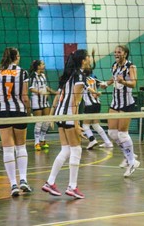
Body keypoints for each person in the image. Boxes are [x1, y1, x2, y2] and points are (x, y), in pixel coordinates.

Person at [41, 49, 90, 199]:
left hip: (61, 115)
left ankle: (50, 182)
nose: (89, 59)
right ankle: (72, 187)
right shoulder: (80, 77)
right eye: (88, 57)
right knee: (76, 151)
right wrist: (76, 124)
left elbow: (58, 97)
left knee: (66, 150)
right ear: (83, 60)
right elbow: (75, 102)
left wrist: (51, 117)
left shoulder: (69, 76)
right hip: (69, 116)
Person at [0, 47, 32, 197]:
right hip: (19, 110)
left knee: (8, 149)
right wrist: (29, 112)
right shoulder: (22, 72)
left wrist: (0, 98)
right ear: (16, 57)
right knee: (21, 147)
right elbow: (24, 96)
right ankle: (23, 180)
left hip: (2, 111)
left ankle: (13, 185)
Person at [100, 45, 140, 177]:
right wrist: (107, 83)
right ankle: (129, 155)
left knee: (123, 134)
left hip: (127, 104)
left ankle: (131, 161)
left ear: (125, 54)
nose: (116, 54)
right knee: (112, 133)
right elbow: (114, 78)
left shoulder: (131, 67)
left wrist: (124, 82)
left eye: (119, 52)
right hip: (115, 102)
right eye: (115, 52)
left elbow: (133, 84)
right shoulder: (114, 65)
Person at [82, 49, 113, 150]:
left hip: (89, 105)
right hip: (97, 104)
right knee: (95, 124)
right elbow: (103, 84)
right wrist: (112, 81)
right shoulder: (94, 78)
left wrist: (95, 92)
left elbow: (89, 88)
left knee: (85, 126)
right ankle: (108, 142)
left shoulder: (82, 79)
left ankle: (92, 140)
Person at [29, 60, 58, 151]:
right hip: (36, 101)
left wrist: (54, 92)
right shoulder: (33, 76)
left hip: (45, 101)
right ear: (38, 66)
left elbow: (46, 87)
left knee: (46, 121)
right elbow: (31, 89)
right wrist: (40, 92)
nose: (44, 66)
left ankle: (42, 139)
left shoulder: (43, 75)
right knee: (39, 122)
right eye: (42, 64)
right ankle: (36, 142)